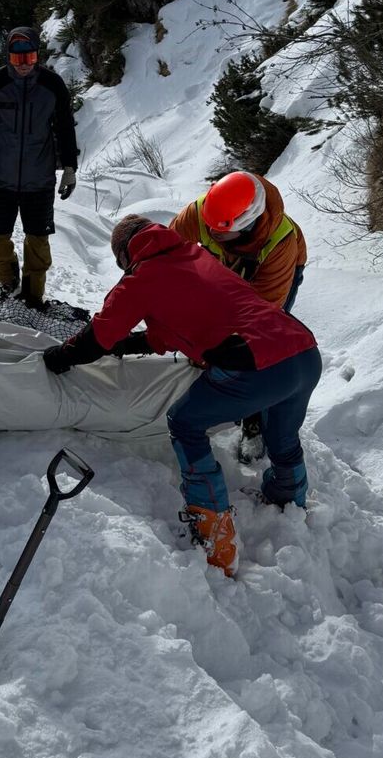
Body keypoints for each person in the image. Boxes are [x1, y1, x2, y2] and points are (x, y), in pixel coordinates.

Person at [42, 214, 321, 576]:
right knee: (281, 435)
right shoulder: (195, 254)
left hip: (256, 363)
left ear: (125, 255)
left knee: (186, 423)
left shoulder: (141, 277)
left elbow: (99, 334)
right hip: (302, 350)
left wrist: (61, 356)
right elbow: (171, 330)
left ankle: (215, 536)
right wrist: (126, 345)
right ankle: (289, 501)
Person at [171, 170, 308, 456]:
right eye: (208, 227)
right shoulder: (202, 213)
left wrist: (214, 345)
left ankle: (254, 421)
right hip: (224, 267)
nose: (209, 233)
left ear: (247, 224)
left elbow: (261, 313)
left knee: (264, 350)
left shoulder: (280, 243)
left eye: (219, 231)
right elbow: (165, 256)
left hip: (271, 279)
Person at [0, 26, 78, 307]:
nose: (25, 65)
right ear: (8, 58)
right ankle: (9, 283)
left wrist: (69, 167)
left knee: (38, 242)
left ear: (37, 55)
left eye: (29, 57)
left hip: (39, 180)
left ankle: (32, 295)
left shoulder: (52, 86)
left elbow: (65, 128)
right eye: (17, 60)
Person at [169, 170, 306, 311]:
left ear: (246, 227)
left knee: (274, 323)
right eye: (209, 223)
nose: (211, 232)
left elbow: (266, 308)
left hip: (279, 268)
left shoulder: (280, 245)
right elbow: (167, 254)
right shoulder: (200, 211)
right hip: (230, 257)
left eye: (221, 229)